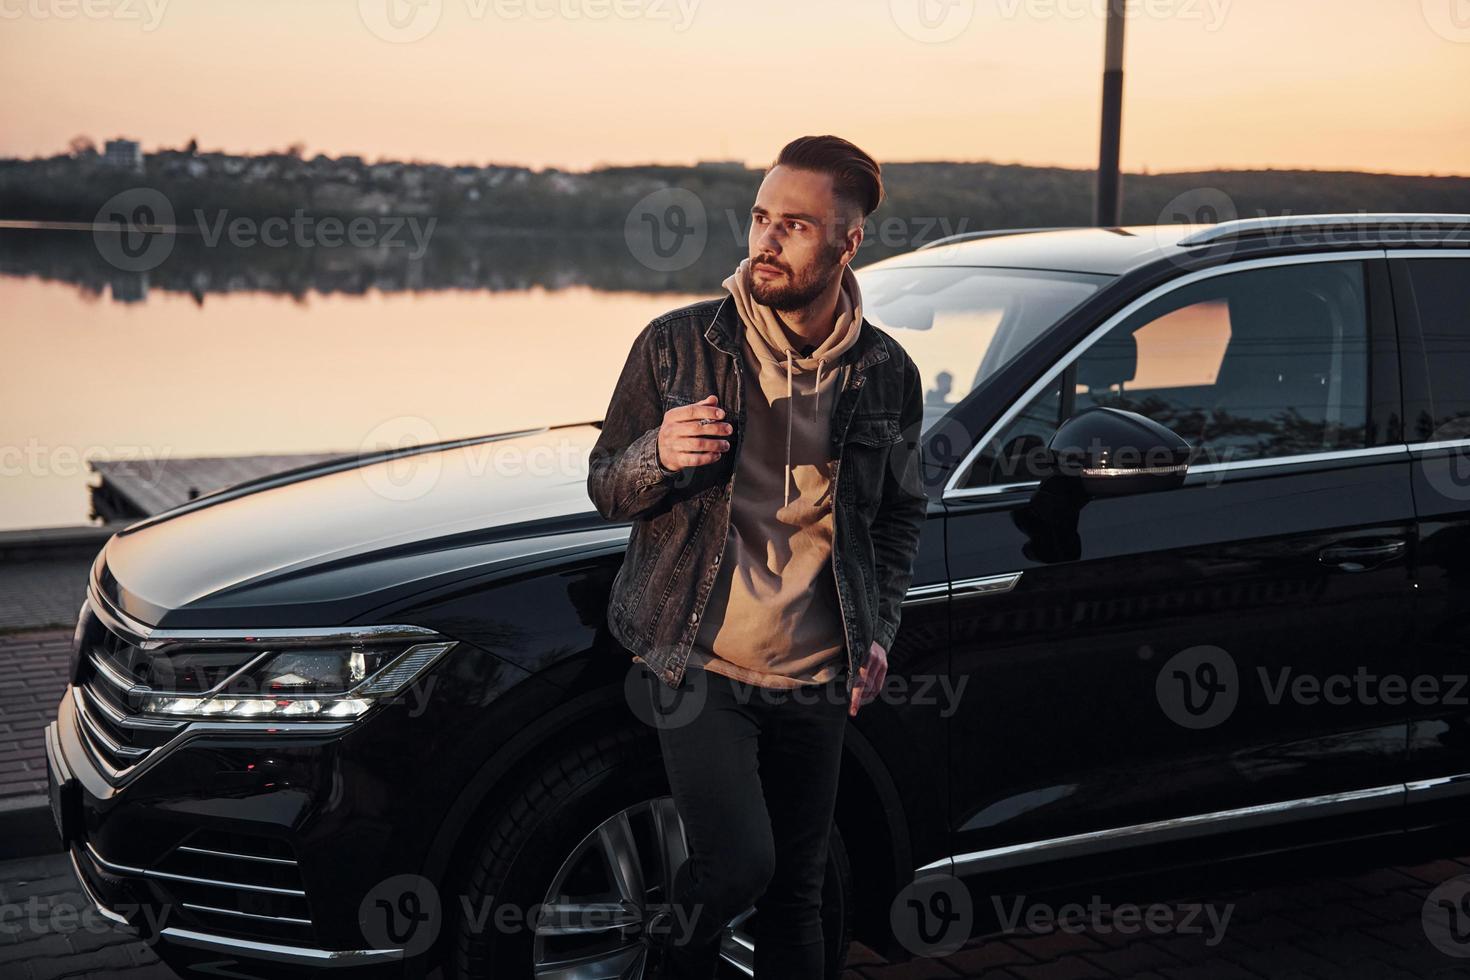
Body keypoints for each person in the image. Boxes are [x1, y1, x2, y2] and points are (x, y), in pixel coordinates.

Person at [587, 134, 928, 978]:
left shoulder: (888, 374)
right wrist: (657, 455)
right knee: (739, 865)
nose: (765, 242)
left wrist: (878, 630)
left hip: (818, 674)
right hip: (699, 659)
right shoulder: (676, 345)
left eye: (796, 226)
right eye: (760, 218)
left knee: (798, 895)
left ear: (849, 242)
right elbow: (605, 486)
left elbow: (898, 515)